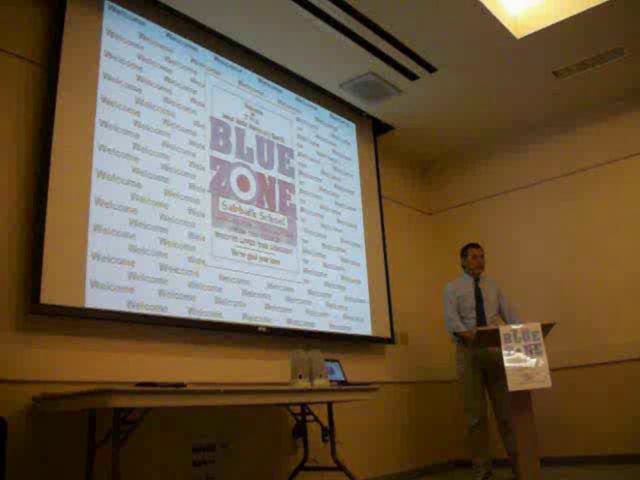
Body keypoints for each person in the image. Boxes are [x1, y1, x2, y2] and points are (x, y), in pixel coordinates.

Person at [444, 243, 520, 480]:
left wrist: (523, 334)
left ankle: (521, 468)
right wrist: (474, 337)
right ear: (463, 261)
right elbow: (452, 321)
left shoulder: (493, 286)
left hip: (494, 353)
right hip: (468, 354)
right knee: (475, 418)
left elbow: (511, 315)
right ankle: (482, 472)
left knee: (506, 414)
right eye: (474, 257)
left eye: (482, 257)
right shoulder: (452, 288)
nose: (480, 261)